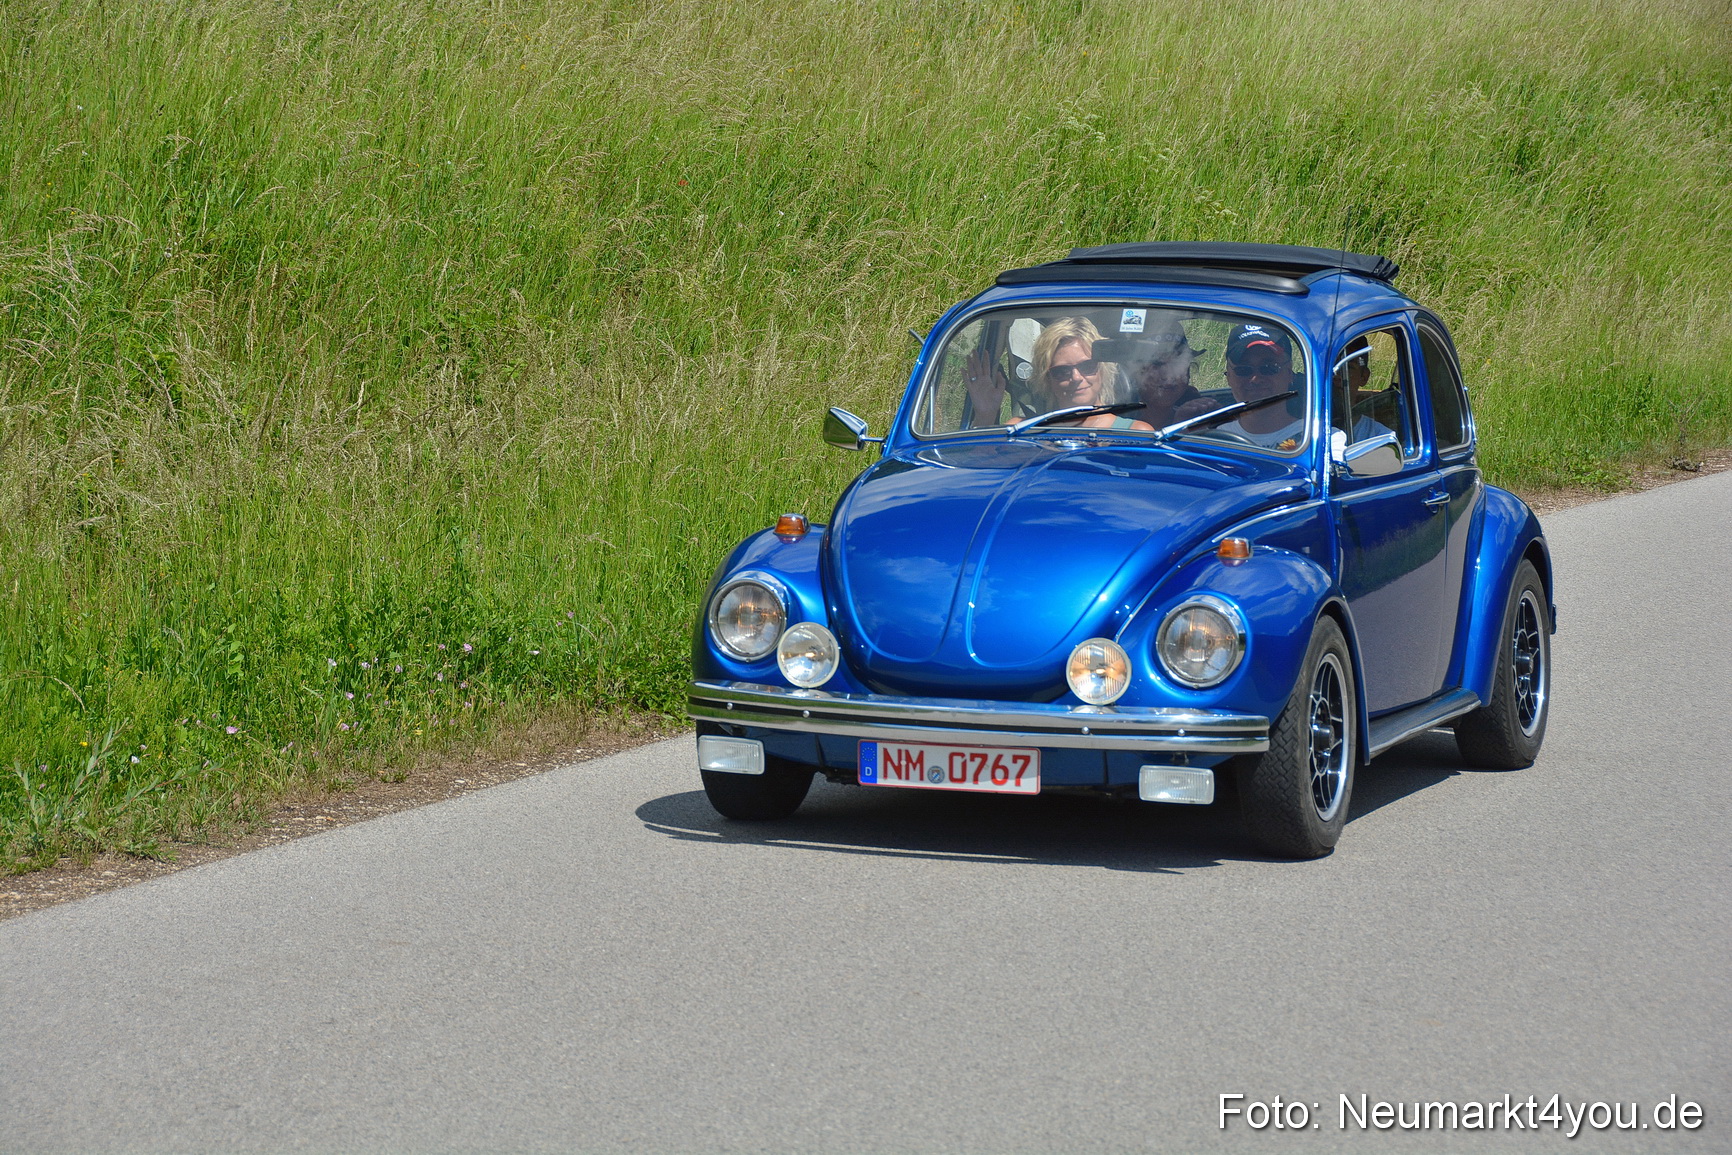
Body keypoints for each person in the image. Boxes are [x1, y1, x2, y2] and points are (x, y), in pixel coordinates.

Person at [967, 316, 1153, 430]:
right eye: (1062, 372)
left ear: (1102, 369)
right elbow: (981, 474)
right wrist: (985, 414)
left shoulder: (1137, 433)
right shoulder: (1020, 430)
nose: (1076, 378)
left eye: (1087, 366)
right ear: (1046, 378)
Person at [1094, 316, 1216, 428]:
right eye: (1156, 364)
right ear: (1134, 369)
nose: (1168, 375)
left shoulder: (1198, 417)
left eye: (1176, 362)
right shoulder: (1115, 423)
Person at [1211, 324, 1310, 449]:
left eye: (1269, 368)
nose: (1255, 379)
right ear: (1229, 377)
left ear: (1289, 373)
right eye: (1243, 370)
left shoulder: (1317, 439)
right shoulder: (1214, 439)